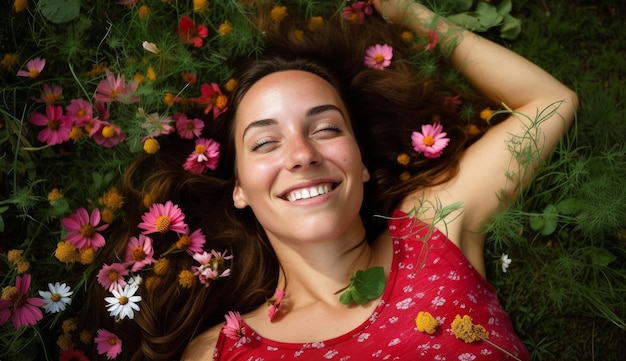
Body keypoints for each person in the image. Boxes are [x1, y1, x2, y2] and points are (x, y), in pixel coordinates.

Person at [80, 1, 577, 360]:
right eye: (265, 142)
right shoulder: (220, 351)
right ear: (239, 188)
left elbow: (551, 104)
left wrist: (413, 16)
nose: (302, 154)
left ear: (359, 159)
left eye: (325, 129)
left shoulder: (433, 228)